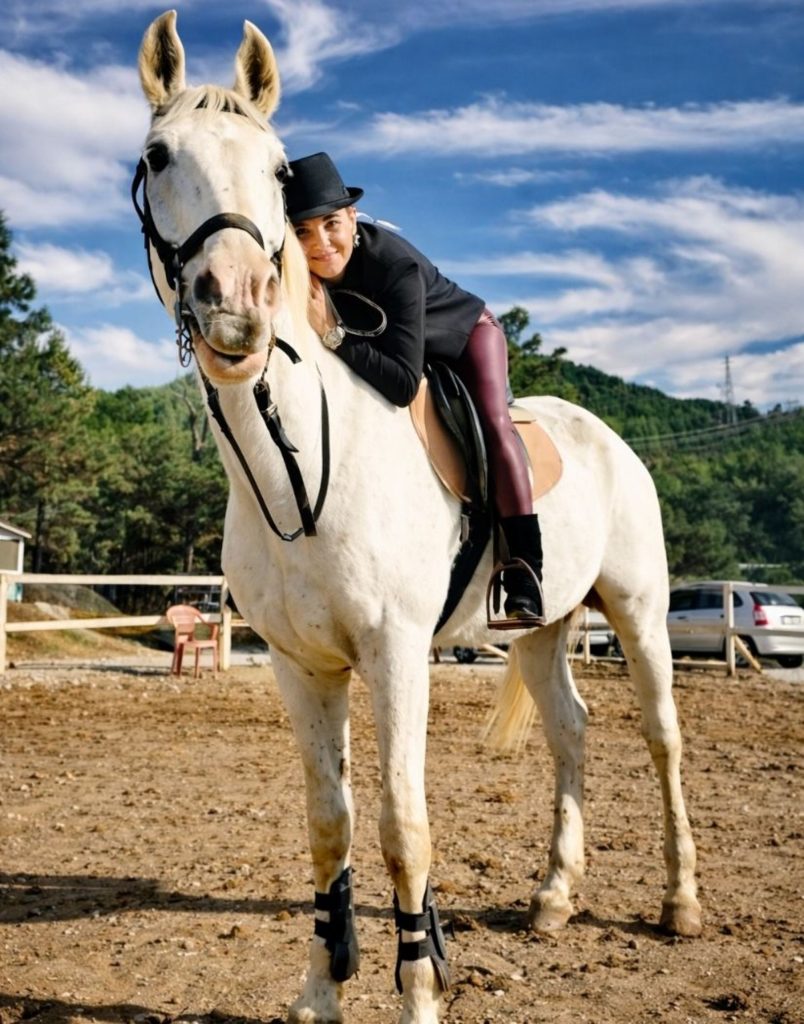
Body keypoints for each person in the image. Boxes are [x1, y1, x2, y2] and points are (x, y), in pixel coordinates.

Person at [284, 152, 545, 629]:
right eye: (301, 232)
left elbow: (403, 384)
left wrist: (333, 334)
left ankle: (525, 569)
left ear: (352, 218)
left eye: (330, 225)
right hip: (398, 351)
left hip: (465, 338)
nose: (320, 245)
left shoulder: (394, 265)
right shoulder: (299, 275)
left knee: (493, 421)